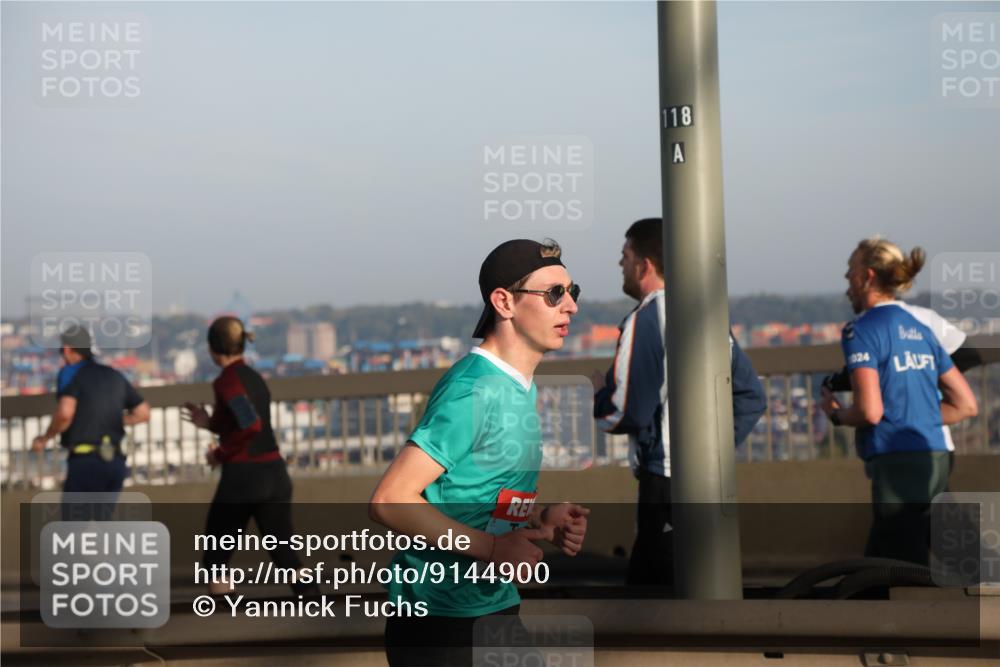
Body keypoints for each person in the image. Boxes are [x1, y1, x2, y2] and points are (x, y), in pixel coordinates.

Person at [369, 239, 590, 667]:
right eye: (553, 294)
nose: (571, 307)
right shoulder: (475, 389)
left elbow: (472, 490)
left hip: (487, 609)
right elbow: (390, 500)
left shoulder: (517, 386)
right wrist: (492, 549)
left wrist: (541, 518)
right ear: (504, 302)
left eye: (572, 291)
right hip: (441, 623)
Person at [591, 218, 766, 587]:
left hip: (664, 480)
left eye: (624, 256)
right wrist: (714, 447)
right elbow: (751, 396)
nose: (619, 264)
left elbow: (627, 411)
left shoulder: (647, 319)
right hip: (710, 476)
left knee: (651, 590)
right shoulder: (709, 318)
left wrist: (597, 396)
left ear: (644, 265)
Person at [820, 238, 978, 565]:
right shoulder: (921, 326)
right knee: (880, 564)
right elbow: (966, 404)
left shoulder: (861, 330)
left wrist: (837, 415)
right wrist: (917, 417)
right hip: (934, 453)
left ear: (867, 276)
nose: (846, 278)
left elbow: (870, 410)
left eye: (850, 270)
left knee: (901, 566)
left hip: (896, 460)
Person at [183, 317, 317, 596]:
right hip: (275, 473)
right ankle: (317, 610)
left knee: (215, 558)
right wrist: (207, 422)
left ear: (212, 348)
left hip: (244, 477)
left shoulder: (227, 381)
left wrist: (220, 453)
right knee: (285, 553)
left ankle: (231, 625)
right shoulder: (253, 378)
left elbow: (250, 424)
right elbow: (239, 421)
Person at [32, 326, 150, 519]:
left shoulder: (70, 373)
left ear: (69, 350)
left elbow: (65, 413)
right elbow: (143, 413)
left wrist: (45, 438)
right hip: (115, 463)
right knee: (101, 528)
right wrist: (109, 418)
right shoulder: (114, 375)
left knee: (73, 532)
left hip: (85, 462)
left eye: (62, 351)